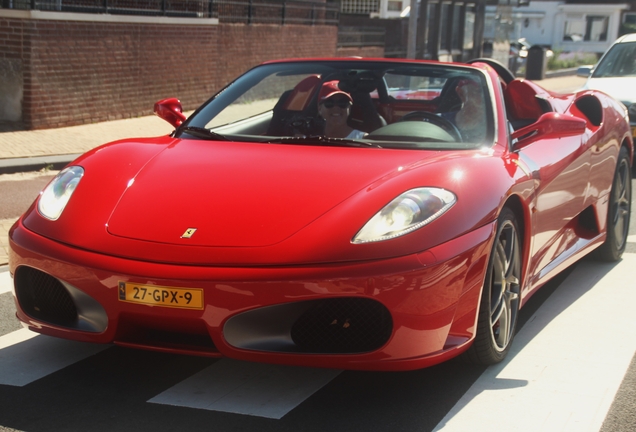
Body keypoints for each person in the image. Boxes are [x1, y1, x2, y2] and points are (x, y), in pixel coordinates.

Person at [440, 78, 487, 142]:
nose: (484, 97)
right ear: (461, 94)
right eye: (478, 92)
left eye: (486, 93)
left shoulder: (498, 125)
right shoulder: (441, 121)